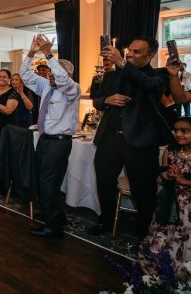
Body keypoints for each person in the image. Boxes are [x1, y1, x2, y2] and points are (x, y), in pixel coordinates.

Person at [89, 36, 172, 239]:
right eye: (130, 51)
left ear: (150, 55)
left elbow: (150, 87)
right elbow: (97, 100)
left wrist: (121, 62)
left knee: (143, 189)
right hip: (109, 139)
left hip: (141, 142)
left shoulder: (159, 74)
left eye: (137, 52)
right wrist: (107, 99)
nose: (130, 54)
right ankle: (105, 221)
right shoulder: (113, 75)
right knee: (104, 183)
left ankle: (144, 233)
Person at [21, 34, 80, 238]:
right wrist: (31, 53)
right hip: (44, 141)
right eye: (53, 72)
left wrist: (48, 53)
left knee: (49, 184)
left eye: (57, 72)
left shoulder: (72, 89)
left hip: (59, 144)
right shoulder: (46, 85)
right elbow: (25, 76)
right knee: (44, 182)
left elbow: (62, 78)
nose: (53, 75)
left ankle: (53, 226)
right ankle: (56, 216)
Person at [139, 117, 191, 276]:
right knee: (162, 234)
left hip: (188, 203)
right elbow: (162, 174)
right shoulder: (170, 150)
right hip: (169, 200)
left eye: (185, 131)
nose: (179, 134)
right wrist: (168, 176)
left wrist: (183, 180)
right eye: (176, 130)